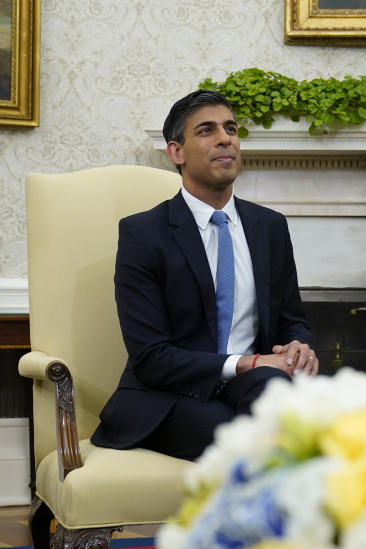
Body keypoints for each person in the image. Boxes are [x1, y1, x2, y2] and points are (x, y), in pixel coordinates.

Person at [92, 90, 319, 460]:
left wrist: (298, 347)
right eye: (206, 131)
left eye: (230, 128)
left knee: (277, 392)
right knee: (256, 439)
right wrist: (248, 361)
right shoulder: (144, 234)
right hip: (167, 398)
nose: (225, 138)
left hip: (248, 387)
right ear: (176, 152)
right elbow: (151, 357)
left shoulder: (270, 227)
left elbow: (292, 319)